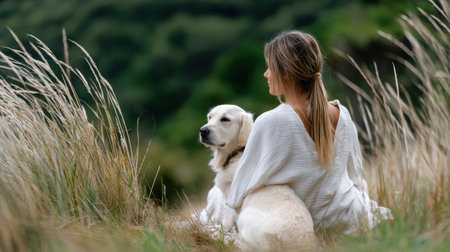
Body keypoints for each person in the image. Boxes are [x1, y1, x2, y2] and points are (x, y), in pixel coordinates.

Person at [221, 30, 391, 234]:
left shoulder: (270, 122)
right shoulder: (342, 115)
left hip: (294, 227)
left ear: (286, 72)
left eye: (270, 68)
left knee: (216, 198)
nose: (266, 74)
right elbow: (356, 178)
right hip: (346, 218)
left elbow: (239, 192)